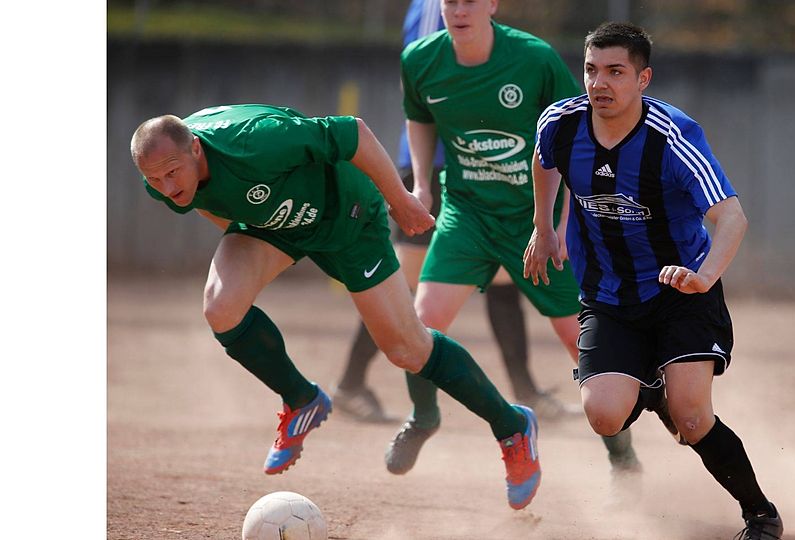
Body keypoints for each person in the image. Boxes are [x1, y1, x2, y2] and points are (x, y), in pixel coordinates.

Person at [129, 104, 542, 510]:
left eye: (171, 173)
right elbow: (209, 201)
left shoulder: (256, 142)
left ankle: (512, 426)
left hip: (348, 216)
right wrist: (256, 236)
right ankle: (301, 399)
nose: (166, 186)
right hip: (278, 224)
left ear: (196, 148)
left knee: (406, 349)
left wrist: (399, 200)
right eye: (155, 179)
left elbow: (353, 132)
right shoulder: (163, 175)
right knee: (221, 307)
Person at [524, 22, 783, 539]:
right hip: (606, 293)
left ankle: (761, 514)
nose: (600, 83)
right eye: (592, 70)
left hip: (681, 292)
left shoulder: (672, 137)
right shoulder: (562, 123)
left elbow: (732, 218)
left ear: (643, 79)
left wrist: (703, 277)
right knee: (603, 416)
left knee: (692, 418)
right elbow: (543, 159)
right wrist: (544, 226)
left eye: (616, 72)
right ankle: (652, 387)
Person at [385, 0, 646, 479]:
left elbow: (578, 135)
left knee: (579, 342)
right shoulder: (419, 59)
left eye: (470, 1)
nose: (459, 10)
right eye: (449, 1)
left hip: (535, 218)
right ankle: (423, 417)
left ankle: (622, 456)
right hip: (467, 212)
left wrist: (564, 225)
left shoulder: (533, 59)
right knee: (420, 323)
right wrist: (421, 184)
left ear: (491, 5)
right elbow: (419, 117)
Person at [332, 0, 575, 424]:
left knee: (504, 277)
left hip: (487, 172)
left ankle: (525, 389)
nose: (459, 9)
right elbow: (432, 77)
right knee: (407, 282)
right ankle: (353, 383)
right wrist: (421, 180)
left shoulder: (526, 53)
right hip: (446, 164)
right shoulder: (437, 16)